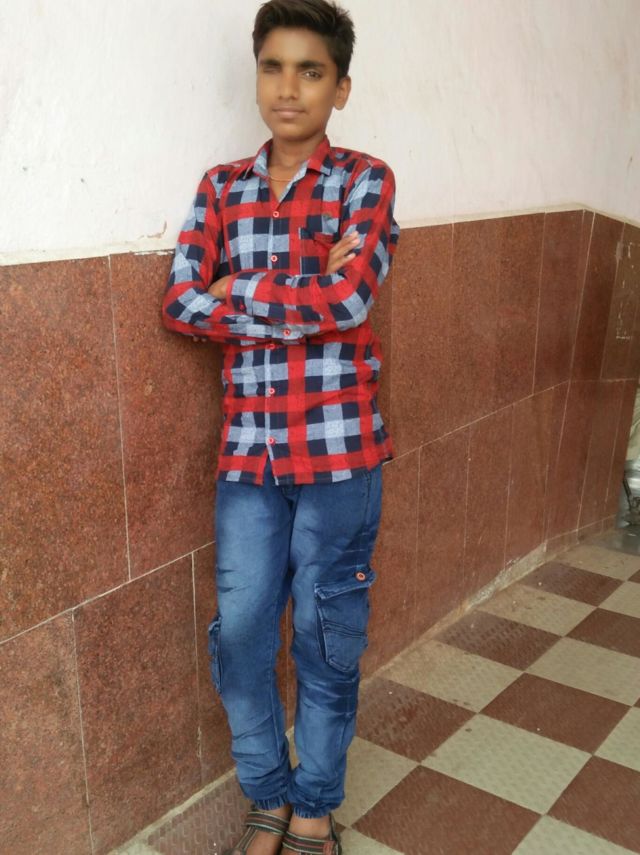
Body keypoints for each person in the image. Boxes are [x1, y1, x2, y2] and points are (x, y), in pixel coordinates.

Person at [162, 1, 399, 852]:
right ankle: (267, 791)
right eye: (273, 66)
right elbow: (178, 302)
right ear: (256, 74)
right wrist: (302, 287)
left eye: (311, 70)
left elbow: (351, 299)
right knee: (241, 638)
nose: (289, 87)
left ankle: (313, 807)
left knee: (327, 640)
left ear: (341, 87)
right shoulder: (220, 188)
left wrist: (237, 290)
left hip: (340, 453)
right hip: (249, 458)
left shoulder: (365, 180)